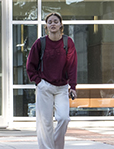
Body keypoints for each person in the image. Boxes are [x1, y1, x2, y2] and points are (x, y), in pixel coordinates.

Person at [26, 12, 78, 149]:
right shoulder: (40, 43)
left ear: (61, 25)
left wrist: (72, 86)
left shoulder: (68, 42)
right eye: (50, 22)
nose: (53, 24)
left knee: (63, 118)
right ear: (46, 26)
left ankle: (56, 146)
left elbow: (72, 65)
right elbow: (30, 66)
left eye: (56, 21)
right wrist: (39, 82)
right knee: (45, 123)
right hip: (45, 86)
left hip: (61, 87)